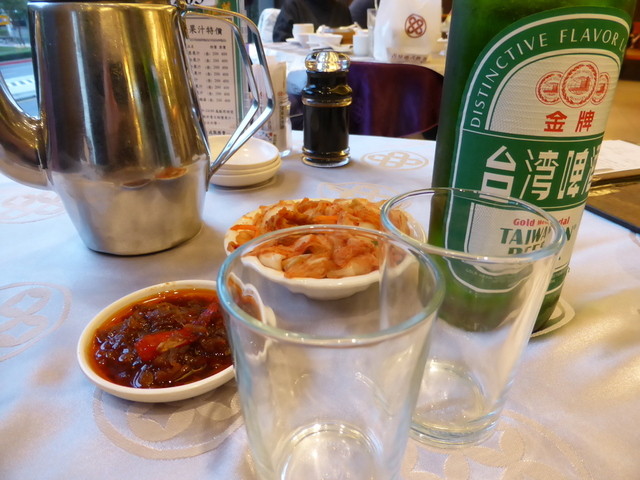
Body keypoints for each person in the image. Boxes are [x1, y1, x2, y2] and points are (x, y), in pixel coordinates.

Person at [272, 0, 353, 42]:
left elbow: (351, 40)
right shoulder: (294, 5)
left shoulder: (341, 9)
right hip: (299, 63)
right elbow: (280, 41)